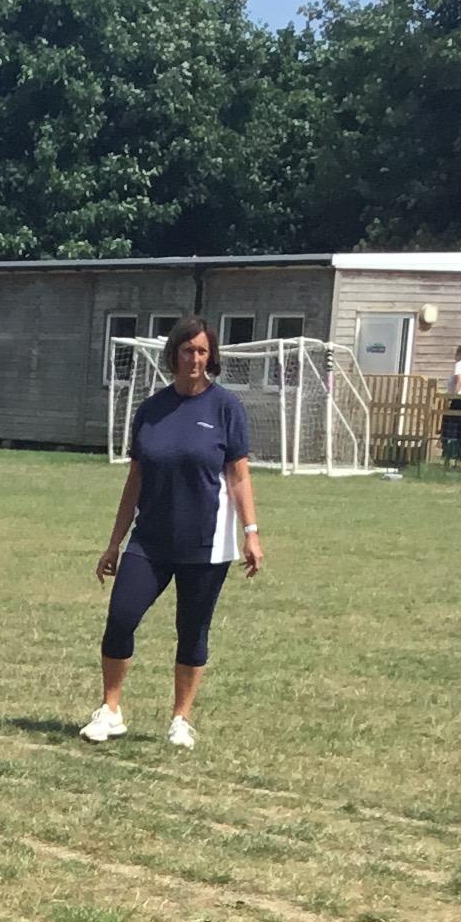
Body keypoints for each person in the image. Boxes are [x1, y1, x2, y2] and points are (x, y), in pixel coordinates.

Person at [84, 316, 260, 750]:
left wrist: (251, 533)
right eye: (187, 350)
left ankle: (181, 719)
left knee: (192, 630)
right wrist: (115, 542)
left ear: (210, 357)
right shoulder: (151, 410)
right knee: (121, 618)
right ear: (174, 354)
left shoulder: (226, 408)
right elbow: (135, 480)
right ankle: (110, 710)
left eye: (201, 351)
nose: (194, 358)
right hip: (150, 540)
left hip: (207, 544)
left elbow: (239, 476)